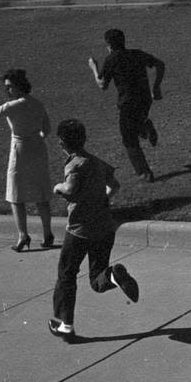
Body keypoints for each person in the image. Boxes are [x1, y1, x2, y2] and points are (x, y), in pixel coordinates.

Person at [48, 118, 139, 344]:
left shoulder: (75, 164)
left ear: (61, 143)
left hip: (79, 231)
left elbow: (69, 189)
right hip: (105, 227)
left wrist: (58, 188)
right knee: (97, 280)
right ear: (85, 138)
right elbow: (114, 186)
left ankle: (64, 324)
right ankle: (114, 276)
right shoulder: (98, 163)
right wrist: (100, 200)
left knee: (66, 275)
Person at [0, 69, 54, 251]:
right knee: (41, 193)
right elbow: (47, 129)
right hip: (38, 148)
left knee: (15, 194)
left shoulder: (13, 106)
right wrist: (35, 137)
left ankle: (23, 235)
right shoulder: (37, 103)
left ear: (19, 86)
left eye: (9, 87)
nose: (7, 91)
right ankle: (48, 233)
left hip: (20, 149)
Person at [87, 28, 165, 181]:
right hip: (144, 100)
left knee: (129, 138)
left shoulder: (112, 59)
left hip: (128, 102)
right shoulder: (137, 54)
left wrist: (94, 68)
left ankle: (144, 172)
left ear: (108, 44)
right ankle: (145, 125)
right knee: (136, 123)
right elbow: (160, 64)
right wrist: (156, 86)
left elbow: (102, 85)